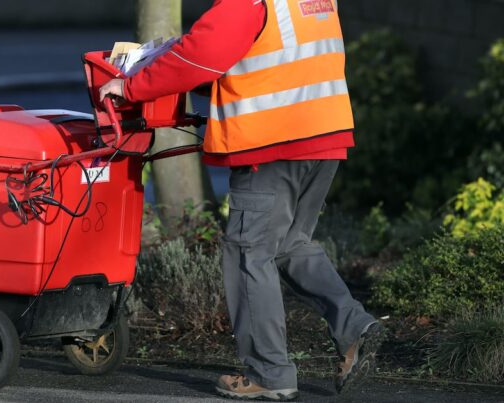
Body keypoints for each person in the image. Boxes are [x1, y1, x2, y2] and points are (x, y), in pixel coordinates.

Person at [99, 0, 383, 401]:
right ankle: (355, 329)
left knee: (250, 254)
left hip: (273, 144)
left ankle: (269, 373)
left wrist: (130, 85)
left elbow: (200, 57)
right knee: (288, 245)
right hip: (323, 135)